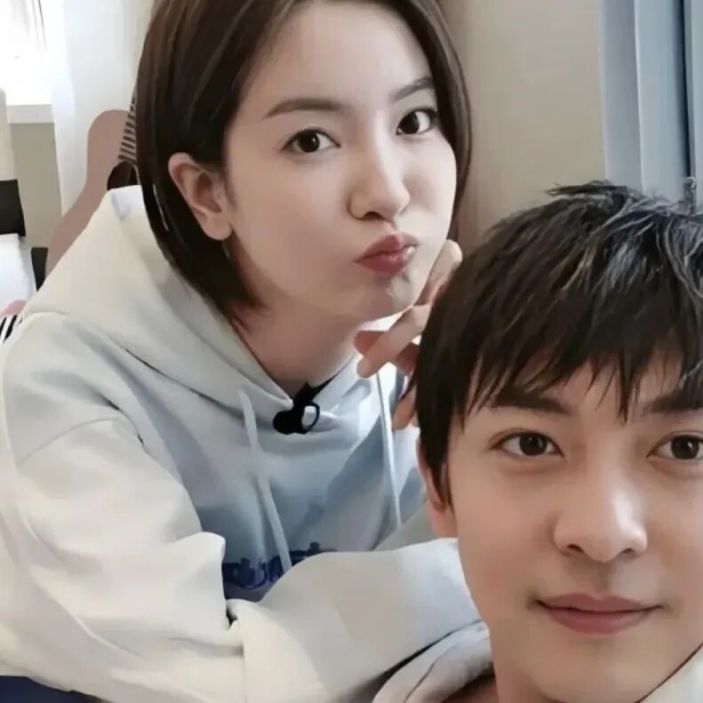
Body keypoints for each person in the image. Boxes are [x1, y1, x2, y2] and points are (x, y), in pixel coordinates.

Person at [0, 1, 478, 700]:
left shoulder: (433, 343)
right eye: (311, 140)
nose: (389, 191)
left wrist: (493, 414)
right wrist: (480, 577)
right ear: (207, 192)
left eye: (413, 121)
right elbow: (203, 681)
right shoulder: (67, 386)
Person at [376, 183, 703, 702]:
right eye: (530, 444)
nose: (602, 535)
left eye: (686, 448)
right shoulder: (352, 645)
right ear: (439, 485)